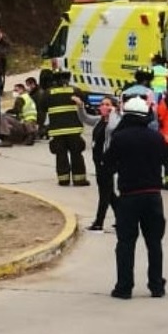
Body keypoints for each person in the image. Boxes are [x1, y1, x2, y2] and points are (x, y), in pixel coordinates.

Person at [103, 95, 168, 299]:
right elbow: (165, 160)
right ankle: (156, 286)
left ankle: (124, 288)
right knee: (154, 243)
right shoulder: (157, 137)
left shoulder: (120, 138)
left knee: (126, 243)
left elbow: (108, 164)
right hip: (153, 196)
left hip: (129, 196)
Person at [73, 94, 120, 231]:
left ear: (114, 107)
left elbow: (111, 128)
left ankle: (99, 223)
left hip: (108, 162)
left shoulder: (116, 121)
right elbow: (85, 118)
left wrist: (113, 112)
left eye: (107, 104)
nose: (103, 107)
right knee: (109, 192)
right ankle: (123, 217)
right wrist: (80, 107)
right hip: (98, 161)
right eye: (102, 104)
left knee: (104, 193)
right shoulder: (99, 120)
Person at [46, 70, 89, 186]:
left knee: (61, 155)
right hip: (74, 130)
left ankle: (63, 179)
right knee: (76, 154)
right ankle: (79, 179)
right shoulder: (75, 91)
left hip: (57, 131)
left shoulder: (48, 93)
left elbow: (42, 107)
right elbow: (85, 101)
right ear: (68, 79)